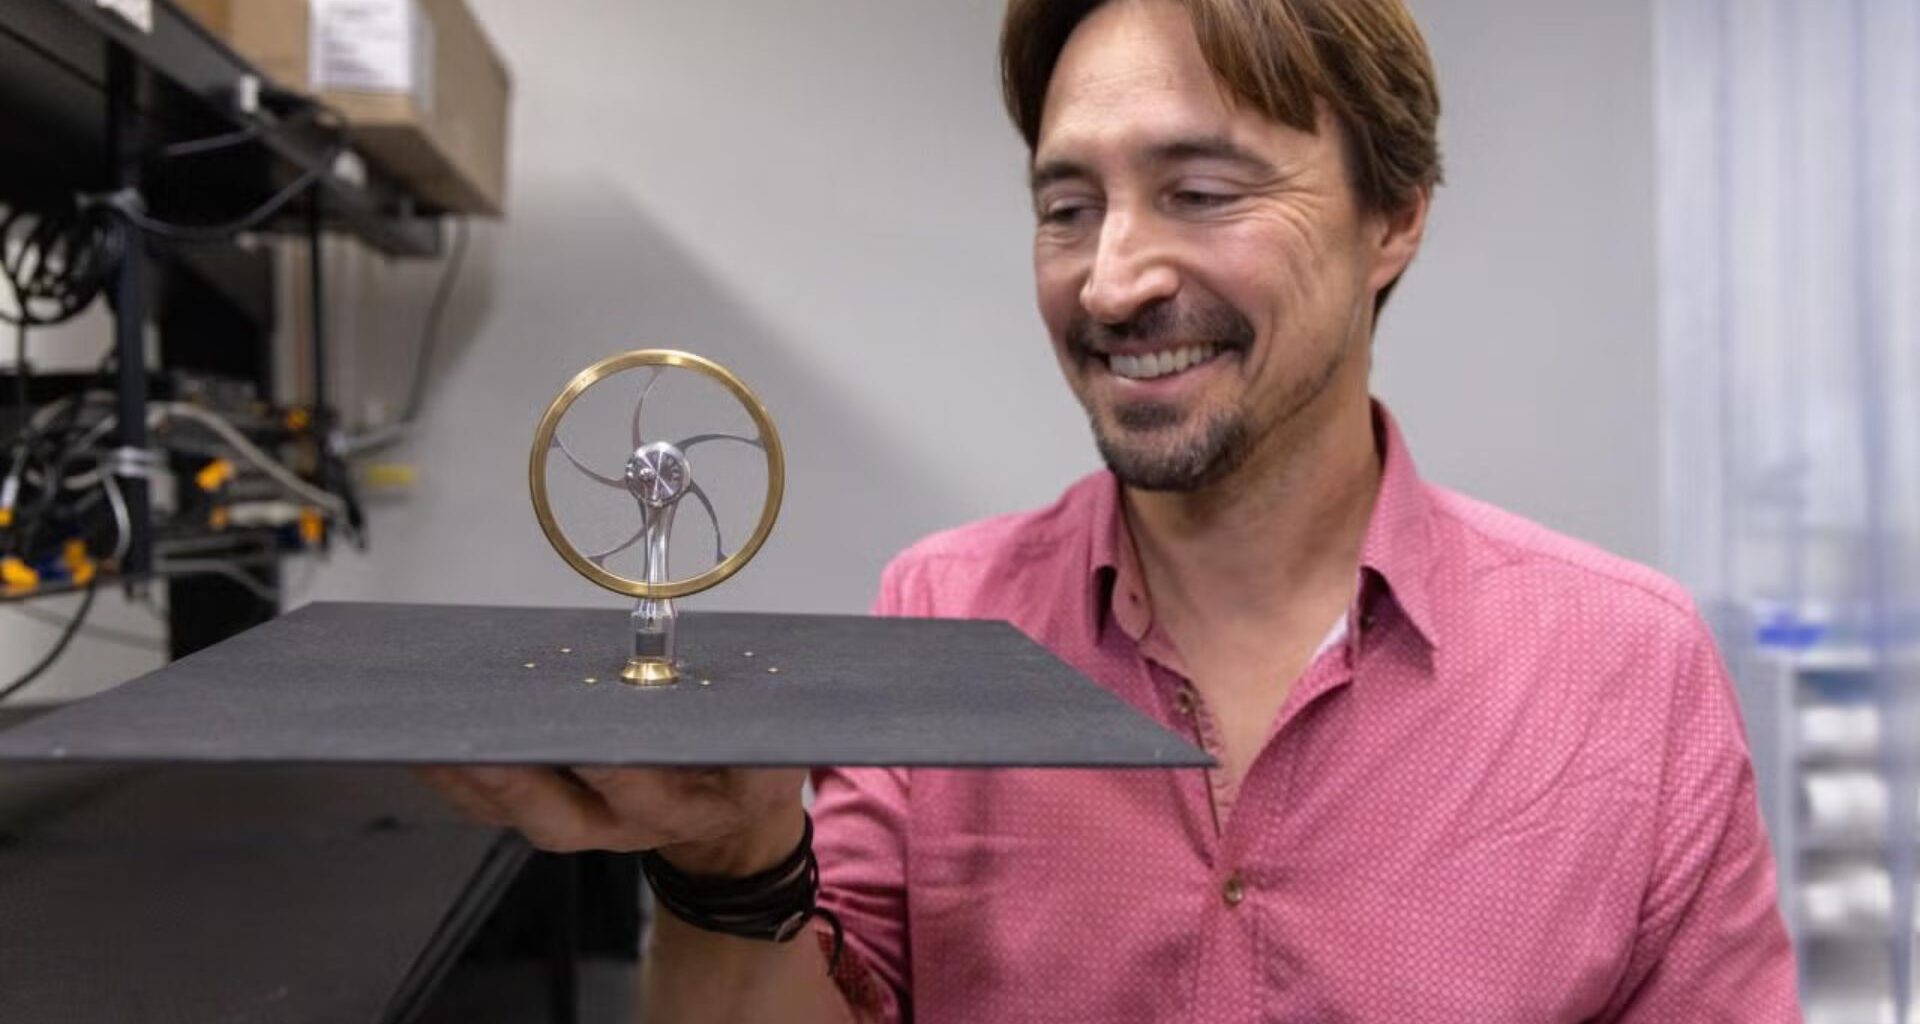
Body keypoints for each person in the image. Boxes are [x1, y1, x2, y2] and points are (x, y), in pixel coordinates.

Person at [420, 0, 1802, 1019]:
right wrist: (729, 865)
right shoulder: (941, 619)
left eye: (1199, 192)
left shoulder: (1629, 671)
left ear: (1394, 217)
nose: (1112, 279)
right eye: (1069, 207)